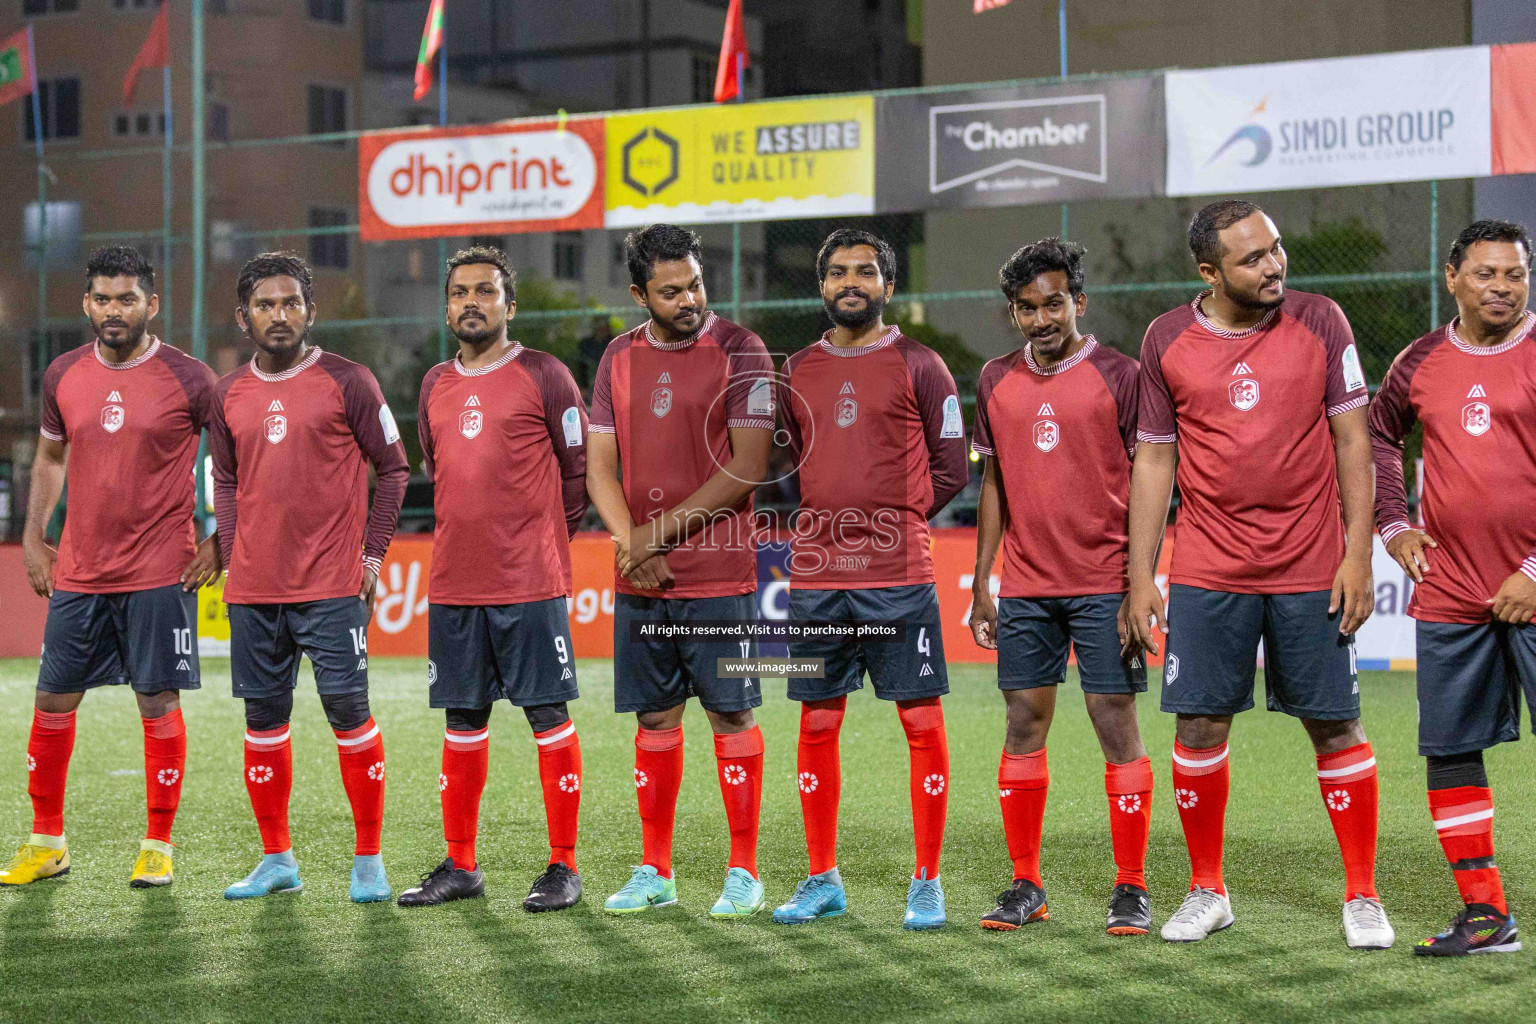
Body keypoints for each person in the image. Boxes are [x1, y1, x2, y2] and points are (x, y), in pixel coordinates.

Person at [1124, 200, 1392, 949]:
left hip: (1311, 564)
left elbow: (1354, 443)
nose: (1274, 265)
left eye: (1275, 249)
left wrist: (1357, 551)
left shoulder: (1323, 320)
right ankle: (1208, 890)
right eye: (1252, 258)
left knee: (1334, 722)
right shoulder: (1166, 340)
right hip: (1210, 565)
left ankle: (1363, 895)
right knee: (1200, 722)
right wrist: (1140, 575)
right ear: (1208, 271)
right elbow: (1154, 457)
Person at [2, 246, 218, 889]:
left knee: (157, 702)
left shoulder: (191, 377)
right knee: (50, 701)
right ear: (86, 304)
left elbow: (235, 461)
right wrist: (34, 537)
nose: (114, 310)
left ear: (152, 304)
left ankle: (158, 843)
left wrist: (221, 537)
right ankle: (47, 841)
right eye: (102, 298)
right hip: (81, 569)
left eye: (127, 298)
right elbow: (49, 458)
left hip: (161, 569)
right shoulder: (63, 373)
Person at [772, 229, 968, 930]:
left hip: (897, 573)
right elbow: (795, 463)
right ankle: (823, 878)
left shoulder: (922, 364)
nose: (849, 282)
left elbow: (952, 468)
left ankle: (926, 880)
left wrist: (893, 520)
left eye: (864, 272)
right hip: (818, 577)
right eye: (836, 273)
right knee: (817, 721)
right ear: (821, 286)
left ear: (888, 285)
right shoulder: (796, 368)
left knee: (919, 720)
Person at [208, 252, 409, 903]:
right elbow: (227, 477)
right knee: (263, 723)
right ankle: (277, 860)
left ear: (310, 310)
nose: (279, 314)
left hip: (330, 588)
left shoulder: (349, 382)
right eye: (265, 305)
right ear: (244, 317)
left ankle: (369, 859)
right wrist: (235, 553)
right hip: (254, 592)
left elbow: (395, 469)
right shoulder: (227, 393)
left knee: (349, 713)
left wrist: (372, 556)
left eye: (291, 302)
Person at [586, 224, 774, 918]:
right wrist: (630, 543)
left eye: (695, 283)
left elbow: (747, 467)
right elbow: (599, 466)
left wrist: (648, 537)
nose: (689, 298)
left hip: (717, 574)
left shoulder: (742, 349)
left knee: (731, 712)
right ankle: (655, 869)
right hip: (641, 579)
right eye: (670, 291)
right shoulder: (616, 357)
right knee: (655, 716)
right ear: (640, 294)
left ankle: (744, 871)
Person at [968, 238, 1152, 935]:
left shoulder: (1122, 375)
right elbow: (995, 482)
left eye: (1053, 304)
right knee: (1023, 722)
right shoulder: (994, 379)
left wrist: (1140, 582)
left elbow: (1150, 479)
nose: (1041, 320)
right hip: (1027, 588)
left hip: (1105, 585)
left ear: (1080, 301)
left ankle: (1131, 885)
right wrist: (983, 579)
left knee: (1115, 722)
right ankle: (1025, 885)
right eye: (1026, 309)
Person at [397, 246, 588, 911]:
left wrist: (536, 542)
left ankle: (563, 866)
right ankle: (461, 865)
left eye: (485, 290)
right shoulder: (433, 385)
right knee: (462, 718)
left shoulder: (545, 373)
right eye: (458, 292)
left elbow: (577, 473)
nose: (470, 302)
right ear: (447, 304)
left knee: (546, 714)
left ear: (511, 305)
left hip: (528, 581)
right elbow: (436, 463)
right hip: (454, 582)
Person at [1370, 219, 1535, 956]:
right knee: (1453, 750)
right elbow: (1376, 434)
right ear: (1453, 277)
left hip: (1531, 588)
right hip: (1450, 593)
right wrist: (1392, 524)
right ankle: (1485, 913)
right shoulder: (1420, 362)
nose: (1502, 287)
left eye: (1515, 274)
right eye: (1487, 274)